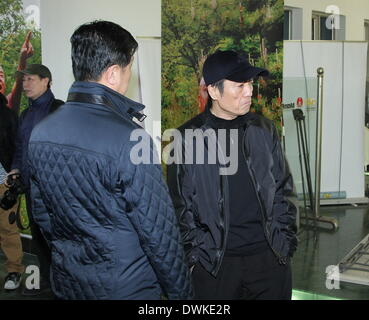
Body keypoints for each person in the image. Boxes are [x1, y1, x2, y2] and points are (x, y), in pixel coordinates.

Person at [27, 20, 192, 300]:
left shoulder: (41, 132)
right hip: (126, 288)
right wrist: (183, 297)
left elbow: (42, 214)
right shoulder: (129, 139)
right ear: (114, 73)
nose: (130, 76)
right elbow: (159, 237)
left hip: (69, 281)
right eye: (129, 67)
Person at [167, 50, 297, 300]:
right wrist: (197, 258)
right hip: (216, 266)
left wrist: (285, 243)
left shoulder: (264, 129)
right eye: (239, 85)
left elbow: (283, 190)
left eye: (250, 83)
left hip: (269, 260)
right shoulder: (185, 139)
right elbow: (180, 207)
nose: (249, 91)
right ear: (214, 91)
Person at [7, 64, 64, 295]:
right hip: (31, 189)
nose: (25, 84)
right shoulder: (26, 114)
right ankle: (47, 283)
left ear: (46, 81)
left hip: (55, 191)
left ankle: (63, 284)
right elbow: (21, 148)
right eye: (24, 81)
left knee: (58, 240)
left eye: (31, 79)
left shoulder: (59, 110)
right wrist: (15, 170)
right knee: (38, 237)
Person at [0, 93, 24, 290]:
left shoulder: (7, 115)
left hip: (3, 181)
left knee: (8, 228)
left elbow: (17, 147)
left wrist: (14, 175)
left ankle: (14, 270)